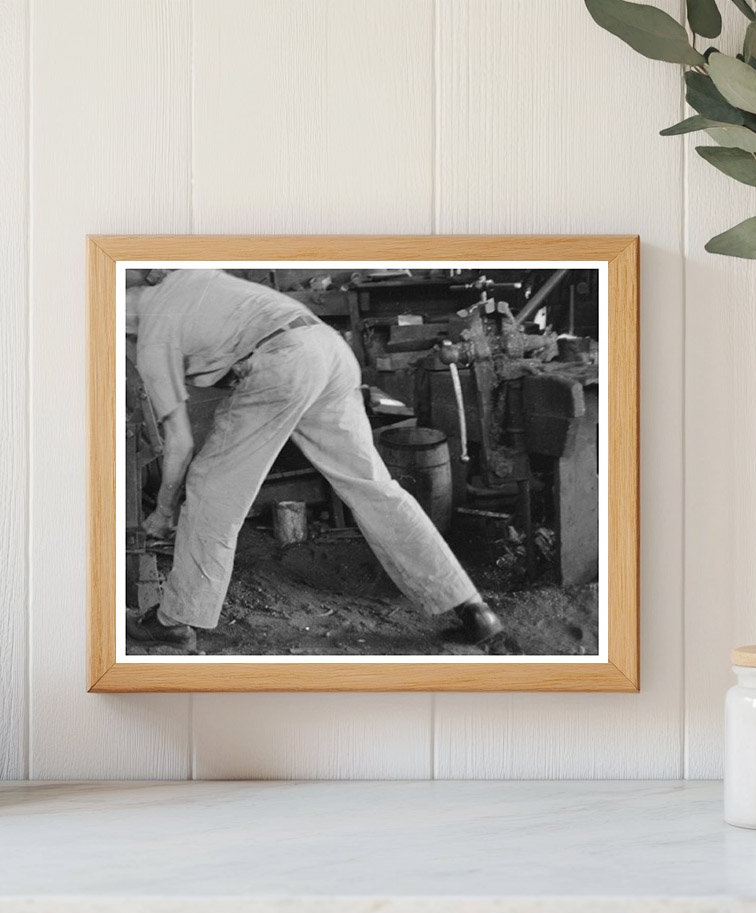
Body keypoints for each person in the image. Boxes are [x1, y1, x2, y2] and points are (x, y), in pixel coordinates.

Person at [126, 269, 503, 649]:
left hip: (282, 361)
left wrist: (163, 510)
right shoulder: (187, 280)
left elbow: (179, 443)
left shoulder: (151, 339)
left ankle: (175, 622)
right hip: (329, 351)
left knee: (210, 488)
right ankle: (471, 607)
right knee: (373, 488)